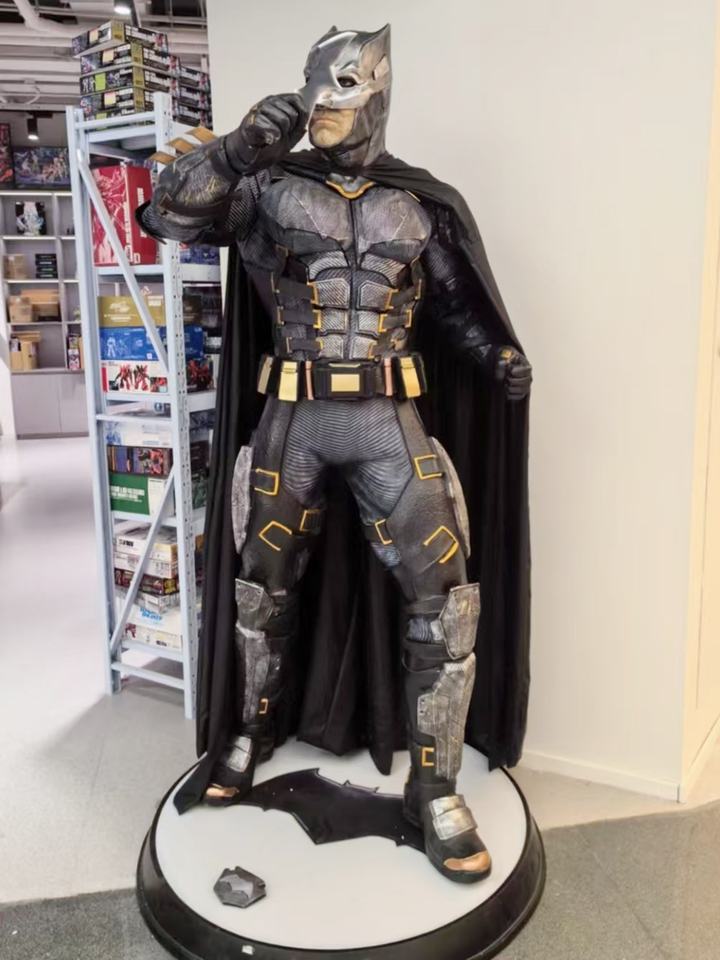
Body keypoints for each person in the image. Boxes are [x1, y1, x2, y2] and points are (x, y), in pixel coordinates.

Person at [139, 25, 532, 884]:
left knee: (446, 601)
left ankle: (435, 790)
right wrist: (237, 150)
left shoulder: (421, 204)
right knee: (261, 589)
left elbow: (457, 307)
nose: (322, 99)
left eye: (345, 82)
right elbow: (167, 215)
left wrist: (497, 355)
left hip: (389, 420)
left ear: (378, 90)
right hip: (295, 418)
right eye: (315, 80)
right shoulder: (267, 187)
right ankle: (249, 733)